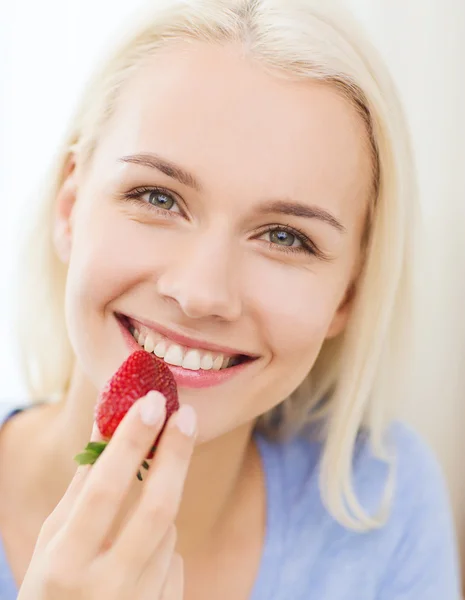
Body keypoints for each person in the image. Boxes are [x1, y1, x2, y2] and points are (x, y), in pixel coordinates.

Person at [0, 0, 460, 598]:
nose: (200, 294)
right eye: (157, 198)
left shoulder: (384, 506)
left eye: (285, 237)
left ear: (349, 293)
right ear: (70, 207)